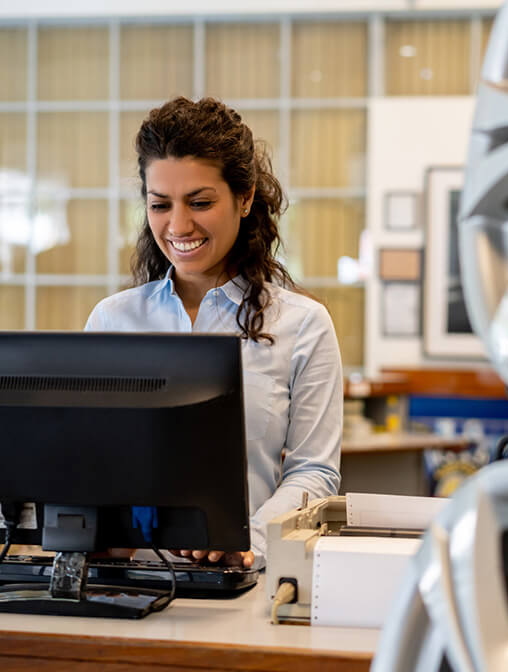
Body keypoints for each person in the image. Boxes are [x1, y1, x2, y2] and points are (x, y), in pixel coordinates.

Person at [85, 96, 343, 567]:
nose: (179, 225)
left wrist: (253, 544)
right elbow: (86, 459)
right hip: (121, 582)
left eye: (200, 202)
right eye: (160, 204)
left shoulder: (303, 325)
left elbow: (314, 473)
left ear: (244, 199)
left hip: (238, 581)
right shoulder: (111, 320)